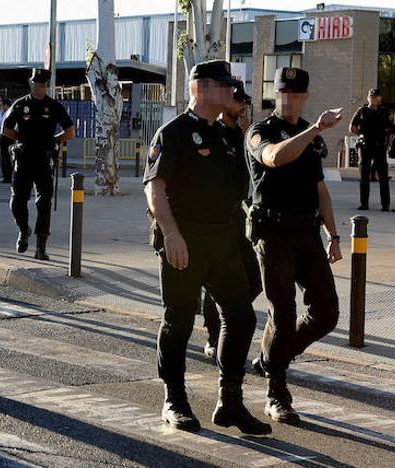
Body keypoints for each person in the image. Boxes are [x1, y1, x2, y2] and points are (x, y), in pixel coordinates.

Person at [144, 60, 270, 435]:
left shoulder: (225, 135)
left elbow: (246, 180)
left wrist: (242, 125)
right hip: (185, 241)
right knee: (179, 319)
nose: (233, 91)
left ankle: (229, 402)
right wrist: (171, 235)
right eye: (225, 85)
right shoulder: (174, 133)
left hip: (223, 242)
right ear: (200, 88)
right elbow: (155, 187)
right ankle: (175, 400)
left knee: (242, 317)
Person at [246, 67, 343, 426]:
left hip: (307, 234)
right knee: (283, 315)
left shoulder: (314, 141)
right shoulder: (260, 131)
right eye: (282, 93)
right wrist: (314, 128)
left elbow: (321, 192)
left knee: (327, 312)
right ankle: (277, 392)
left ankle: (272, 359)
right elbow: (274, 158)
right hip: (273, 234)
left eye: (294, 94)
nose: (287, 99)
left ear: (304, 97)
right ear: (275, 94)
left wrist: (333, 236)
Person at [199, 84, 261, 360]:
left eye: (245, 102)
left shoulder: (246, 134)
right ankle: (214, 335)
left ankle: (230, 313)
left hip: (241, 215)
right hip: (217, 219)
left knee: (255, 279)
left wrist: (248, 135)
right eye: (239, 103)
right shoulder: (214, 134)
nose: (243, 107)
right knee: (217, 280)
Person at [1, 69, 74, 261]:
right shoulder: (20, 105)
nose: (39, 87)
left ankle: (41, 246)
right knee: (17, 201)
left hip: (43, 159)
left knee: (44, 203)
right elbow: (5, 128)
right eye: (35, 84)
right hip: (23, 159)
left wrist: (54, 140)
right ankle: (23, 230)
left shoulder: (54, 106)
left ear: (47, 85)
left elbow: (70, 131)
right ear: (30, 83)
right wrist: (20, 138)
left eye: (42, 84)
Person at [350, 88, 392, 211]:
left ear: (380, 98)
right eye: (372, 97)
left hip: (379, 146)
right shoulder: (362, 110)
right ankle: (364, 204)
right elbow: (352, 127)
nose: (374, 99)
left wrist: (387, 144)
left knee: (383, 177)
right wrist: (362, 135)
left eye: (377, 97)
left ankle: (385, 204)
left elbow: (389, 129)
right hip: (365, 146)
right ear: (368, 98)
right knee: (364, 177)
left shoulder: (384, 111)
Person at [0, 97, 14, 183]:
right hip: (5, 138)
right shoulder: (8, 113)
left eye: (2, 106)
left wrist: (1, 135)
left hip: (7, 139)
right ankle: (6, 175)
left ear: (6, 105)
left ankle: (7, 177)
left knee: (6, 158)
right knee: (5, 158)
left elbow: (7, 127)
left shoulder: (9, 114)